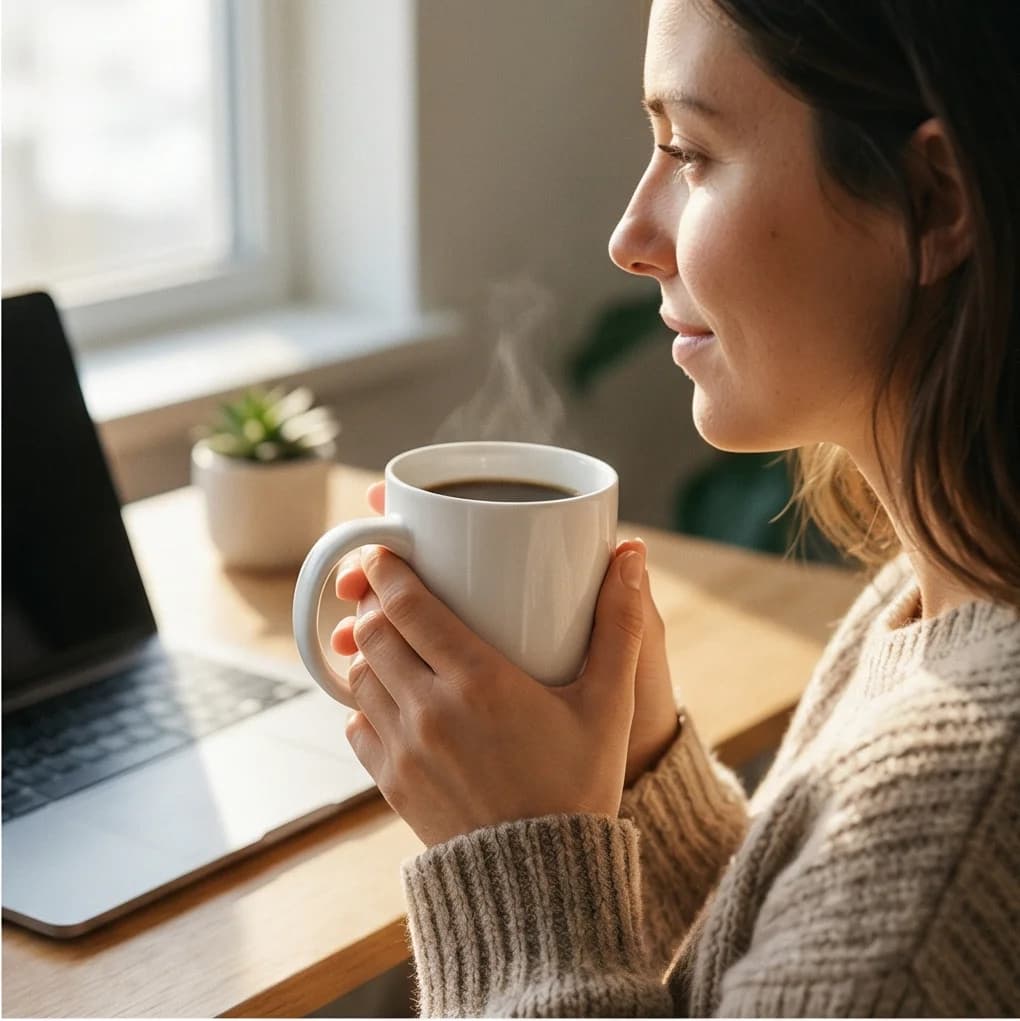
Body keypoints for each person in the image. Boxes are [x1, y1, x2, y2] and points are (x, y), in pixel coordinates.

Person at [326, 0, 1019, 1014]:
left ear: (936, 196)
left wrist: (517, 863)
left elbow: (899, 935)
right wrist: (643, 775)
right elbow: (789, 962)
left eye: (690, 153)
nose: (630, 236)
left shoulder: (968, 785)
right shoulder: (932, 598)